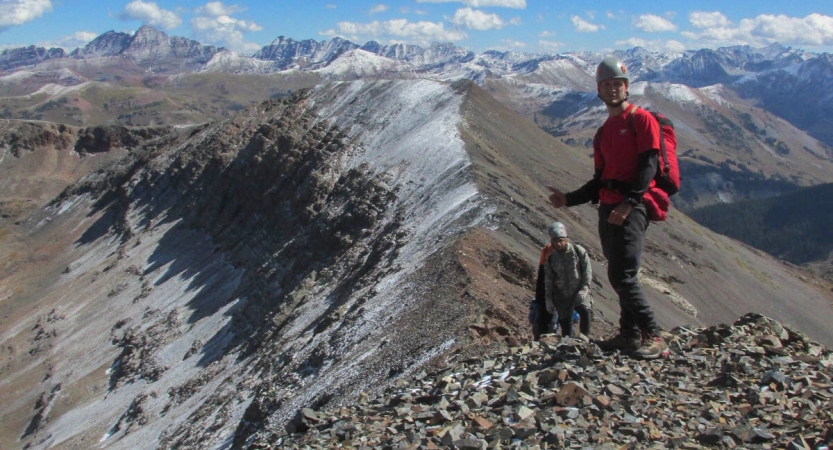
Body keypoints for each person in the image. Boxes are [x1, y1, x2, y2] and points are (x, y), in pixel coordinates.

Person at [546, 55, 670, 359]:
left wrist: (630, 203)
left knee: (623, 275)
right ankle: (629, 335)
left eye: (618, 84)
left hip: (631, 209)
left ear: (626, 88)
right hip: (608, 209)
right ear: (599, 90)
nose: (612, 89)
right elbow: (600, 180)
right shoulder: (604, 132)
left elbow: (648, 165)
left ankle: (653, 334)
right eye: (606, 85)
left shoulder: (641, 120)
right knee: (619, 273)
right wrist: (568, 199)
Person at [531, 222, 592, 340]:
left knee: (584, 310)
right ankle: (567, 343)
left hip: (579, 290)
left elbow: (587, 272)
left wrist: (584, 289)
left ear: (565, 239)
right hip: (562, 295)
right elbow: (548, 281)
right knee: (565, 320)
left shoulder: (578, 251)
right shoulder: (551, 258)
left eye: (561, 240)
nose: (558, 244)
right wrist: (548, 300)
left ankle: (586, 338)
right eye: (555, 241)